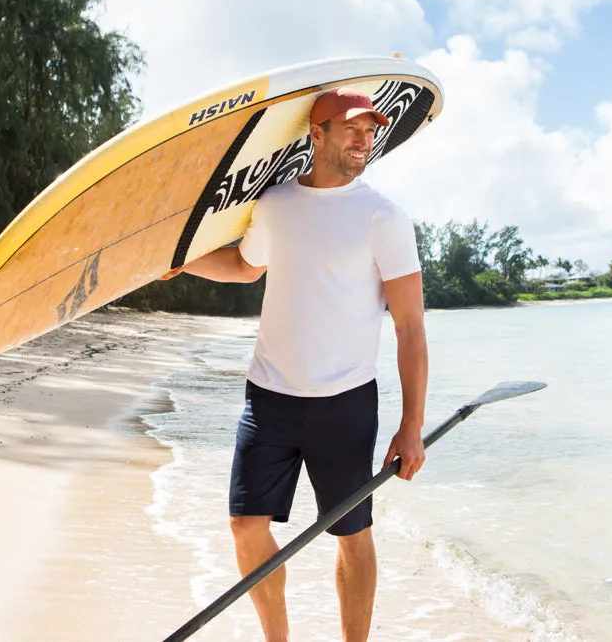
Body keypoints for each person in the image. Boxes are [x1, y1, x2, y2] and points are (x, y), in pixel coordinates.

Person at [170, 87, 428, 642]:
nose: (365, 140)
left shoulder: (384, 218)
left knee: (351, 534)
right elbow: (244, 268)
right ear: (318, 132)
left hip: (346, 403)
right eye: (352, 128)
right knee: (245, 525)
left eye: (370, 130)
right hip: (269, 396)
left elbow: (410, 327)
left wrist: (411, 427)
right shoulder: (276, 204)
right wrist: (177, 264)